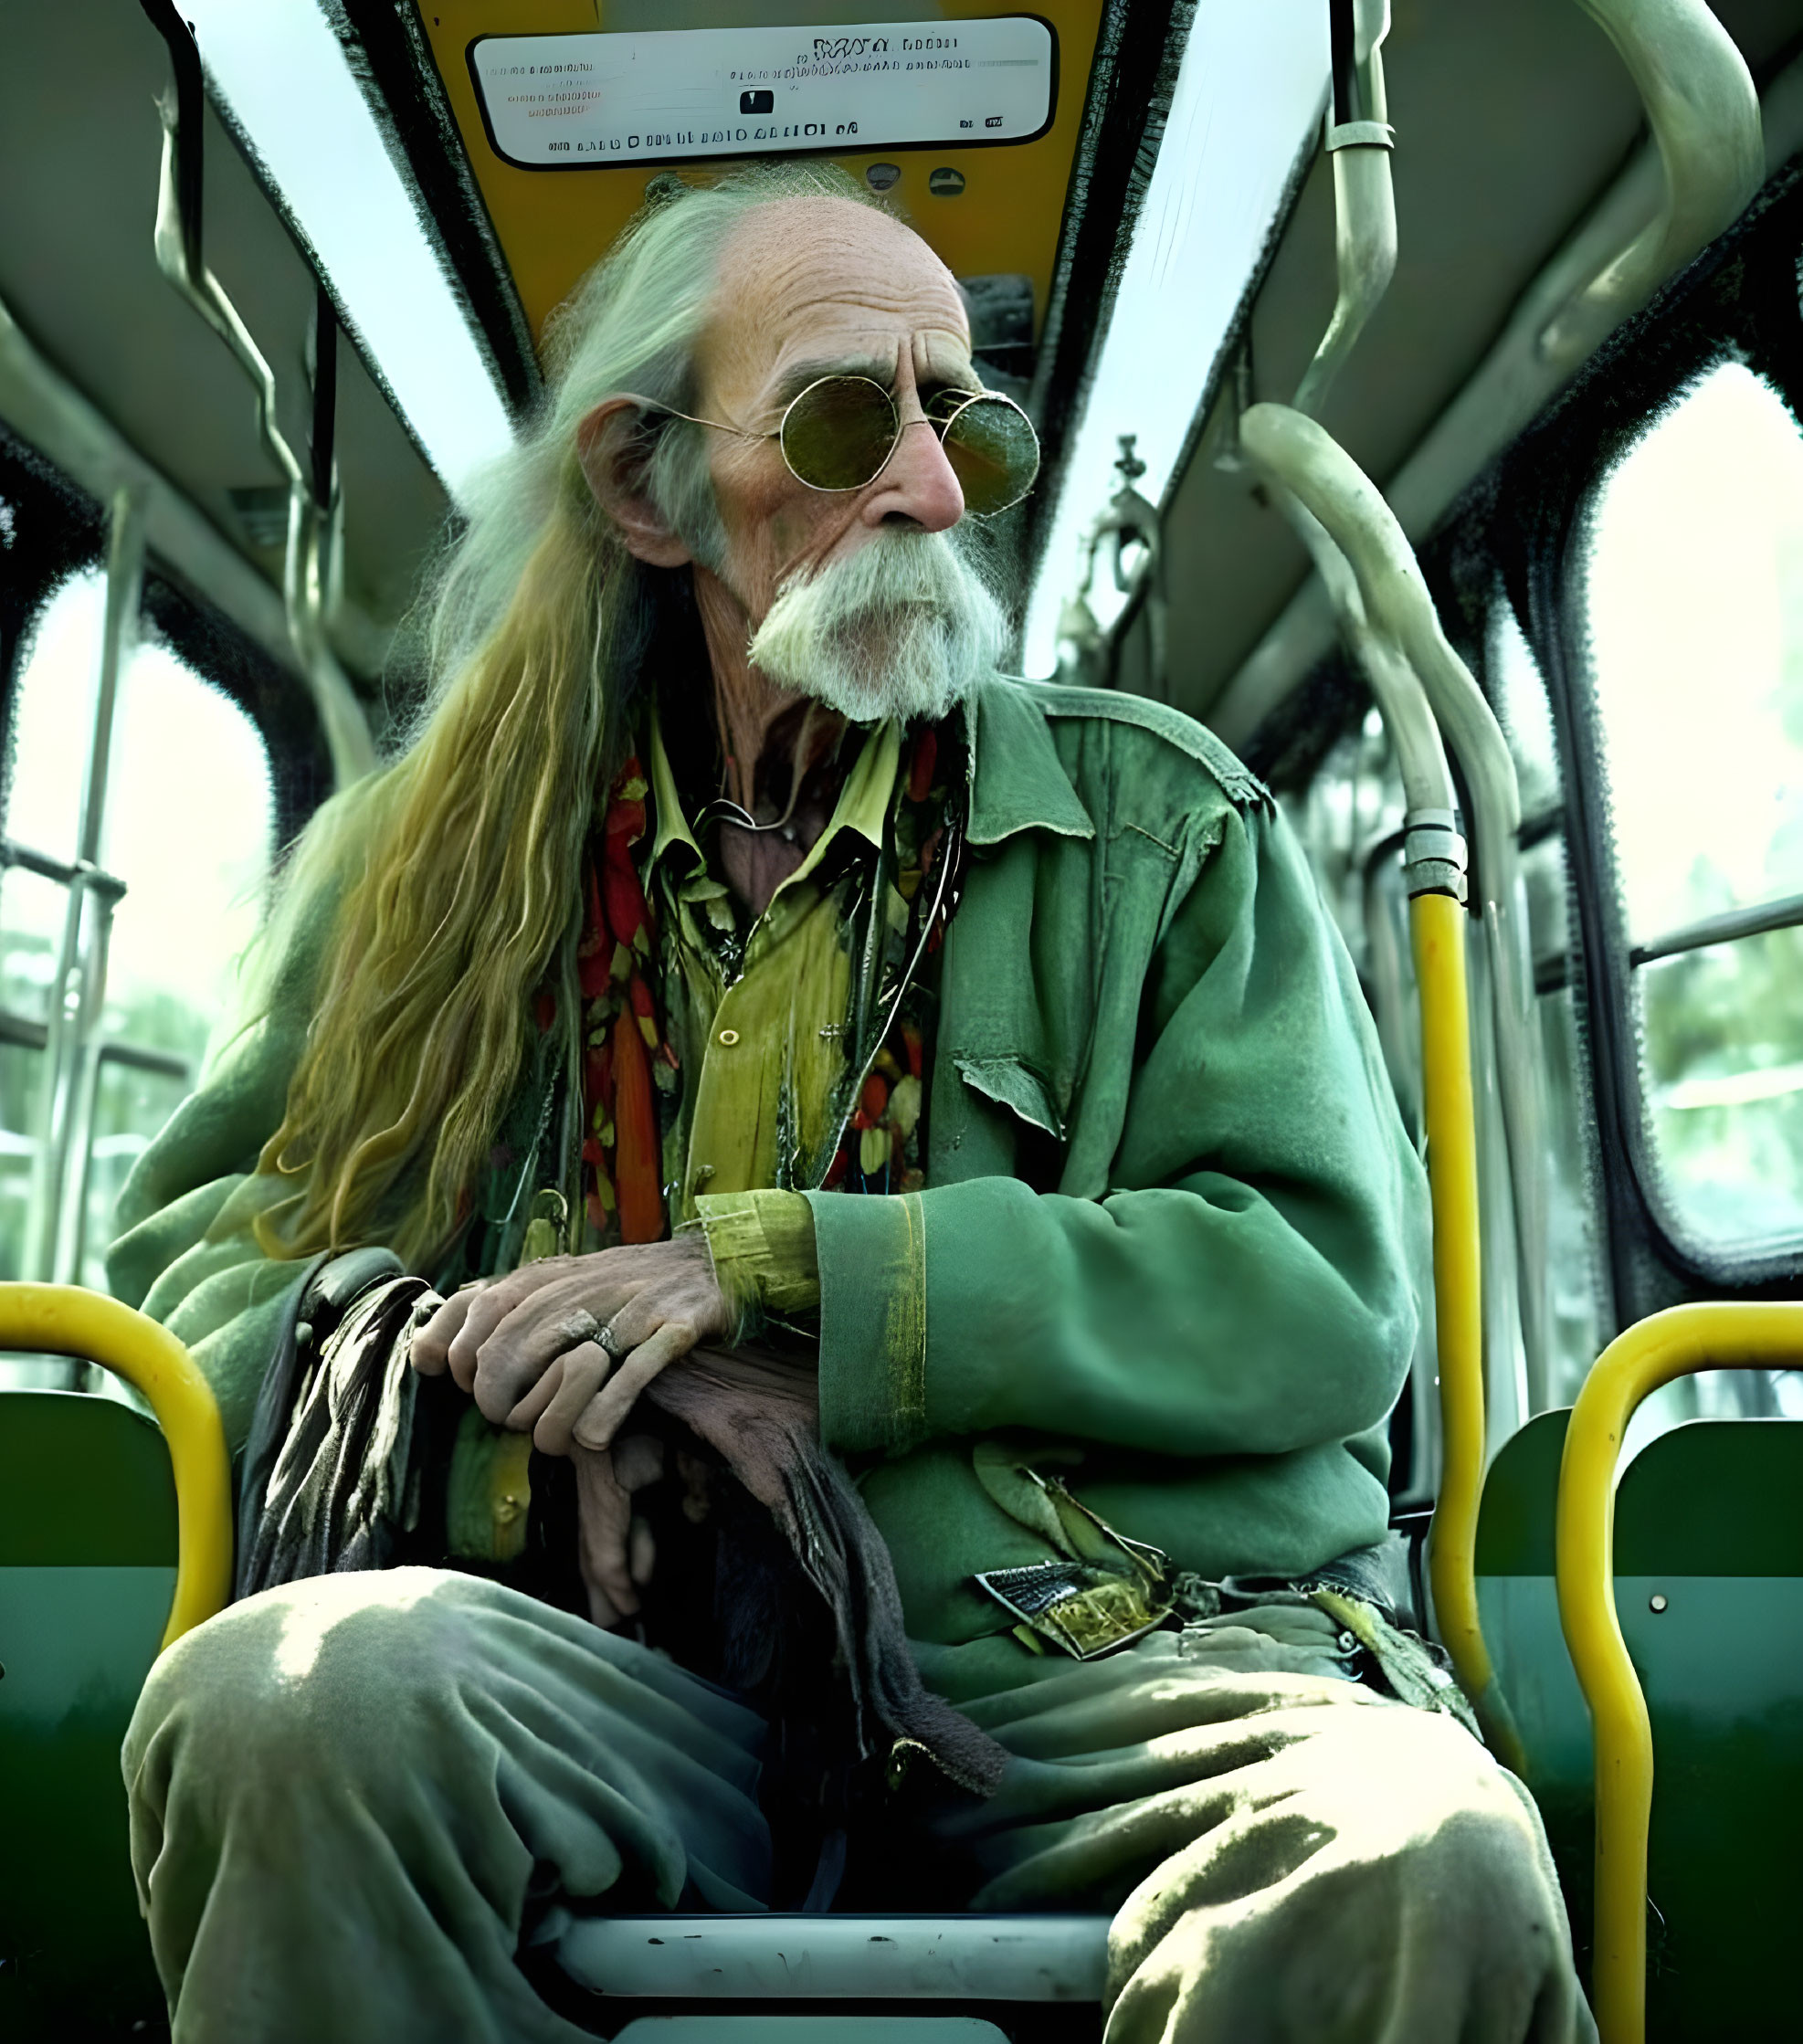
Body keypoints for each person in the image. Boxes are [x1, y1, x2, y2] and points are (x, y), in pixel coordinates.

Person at [108, 164, 1590, 2043]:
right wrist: (492, 1404)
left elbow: (1319, 1303)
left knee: (1421, 1850)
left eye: (966, 418)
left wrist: (791, 1281)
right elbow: (190, 1268)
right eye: (838, 418)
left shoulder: (1162, 831)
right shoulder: (424, 874)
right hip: (606, 1655)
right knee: (298, 1702)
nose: (934, 487)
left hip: (1100, 1671)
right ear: (649, 490)